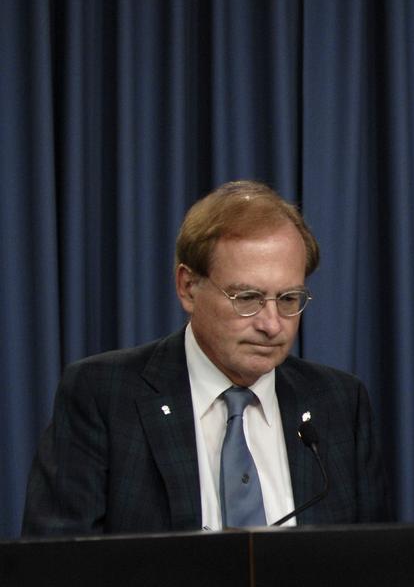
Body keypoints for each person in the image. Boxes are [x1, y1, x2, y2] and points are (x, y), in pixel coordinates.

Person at [23, 180, 390, 535]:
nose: (272, 324)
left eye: (289, 299)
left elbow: (372, 567)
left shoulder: (339, 402)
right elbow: (58, 570)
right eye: (247, 298)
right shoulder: (104, 395)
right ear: (188, 287)